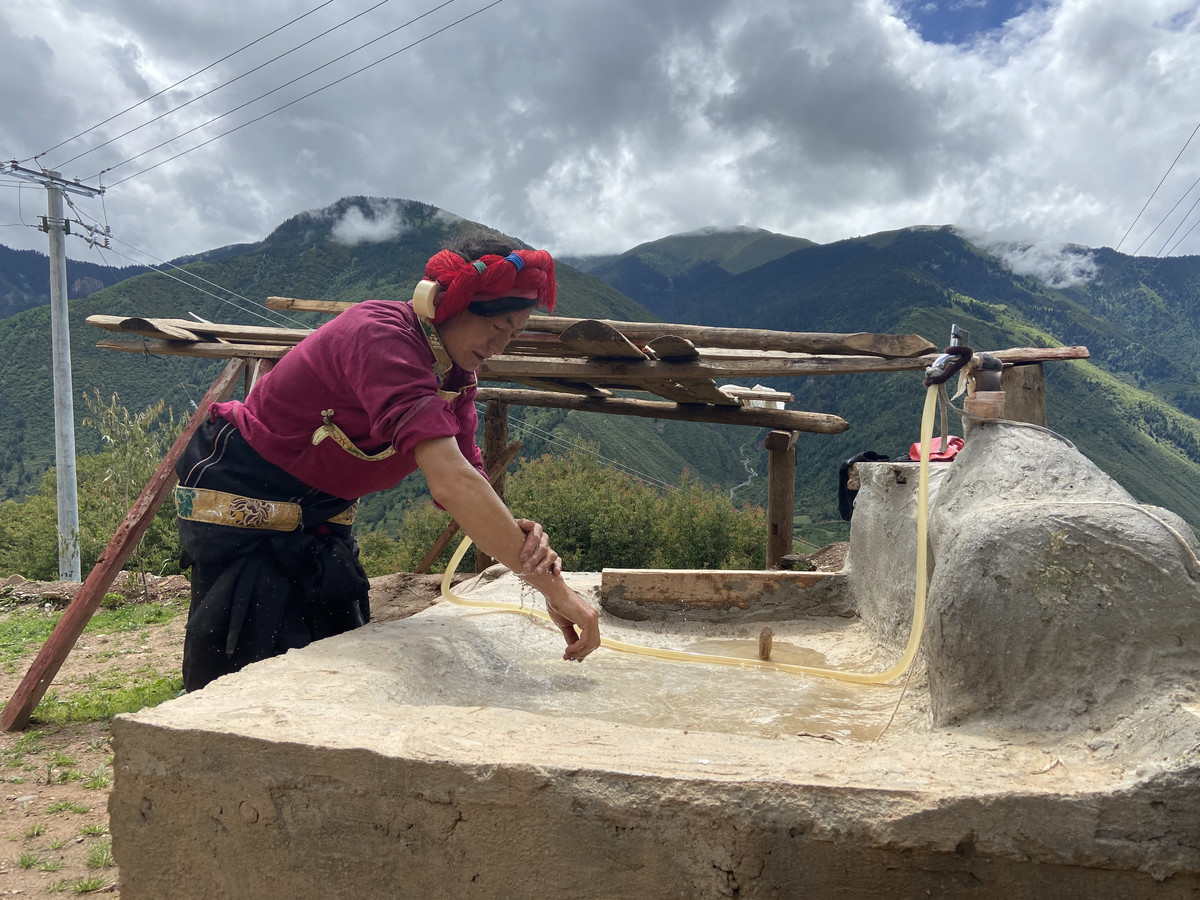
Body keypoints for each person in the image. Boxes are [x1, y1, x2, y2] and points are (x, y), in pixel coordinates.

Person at [173, 234, 601, 691]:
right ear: (446, 302)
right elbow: (452, 484)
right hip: (247, 491)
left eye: (512, 335)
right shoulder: (381, 336)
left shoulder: (456, 375)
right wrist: (556, 590)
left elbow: (469, 476)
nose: (499, 345)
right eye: (496, 325)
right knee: (249, 656)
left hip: (322, 513)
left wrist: (525, 548)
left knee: (336, 651)